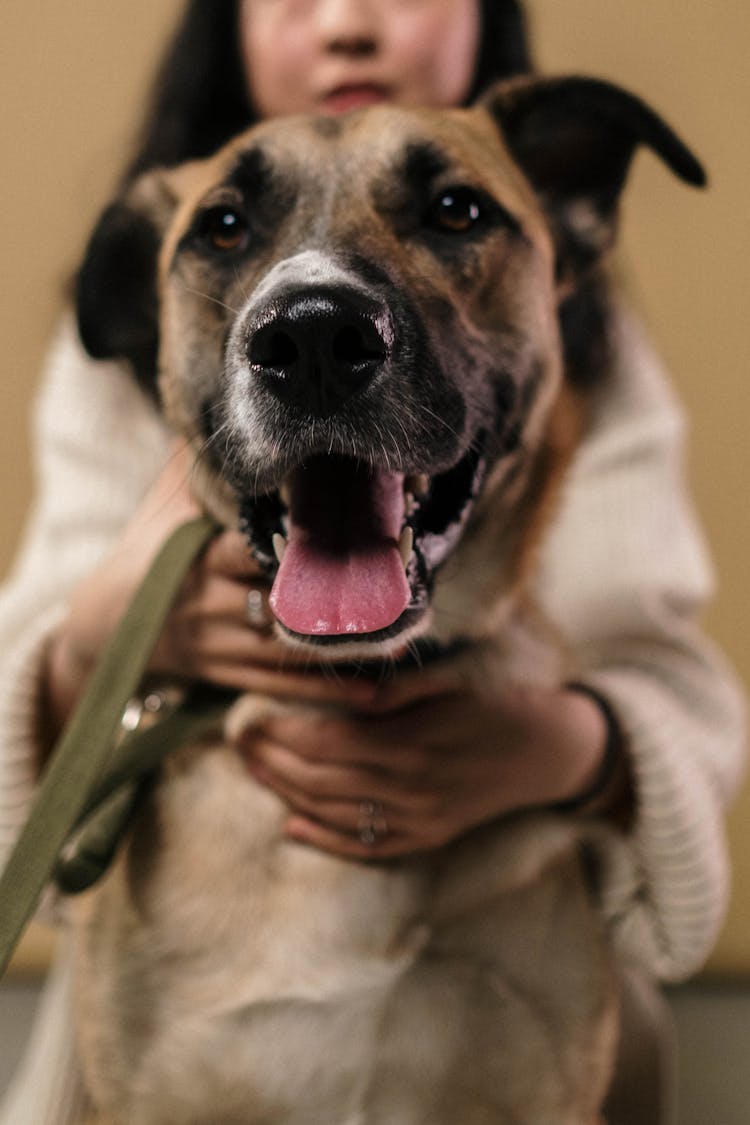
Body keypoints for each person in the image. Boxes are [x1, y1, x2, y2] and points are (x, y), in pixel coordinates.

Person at [0, 1, 745, 1122]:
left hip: (514, 885)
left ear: (570, 235)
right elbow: (27, 670)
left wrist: (567, 747)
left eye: (451, 211)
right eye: (224, 232)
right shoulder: (110, 356)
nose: (347, 20)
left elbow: (677, 684)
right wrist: (107, 632)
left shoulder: (609, 364)